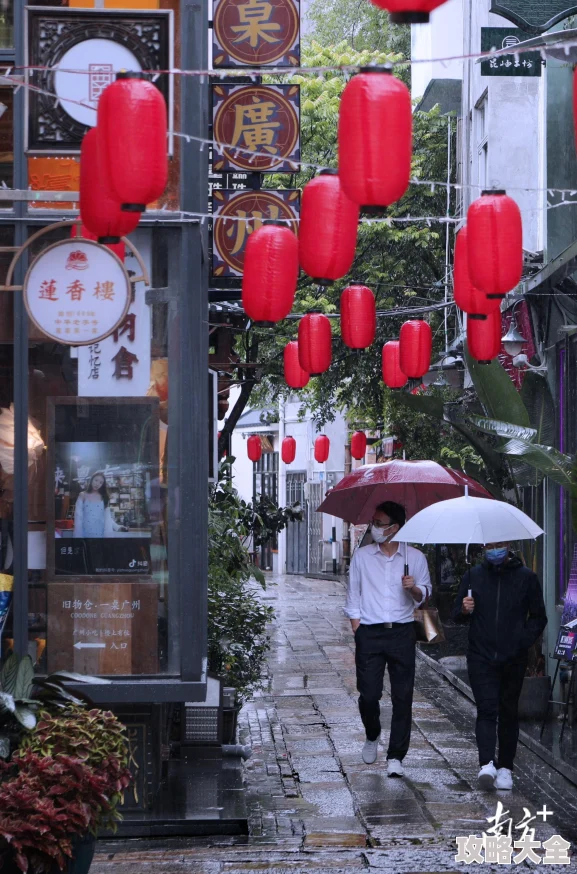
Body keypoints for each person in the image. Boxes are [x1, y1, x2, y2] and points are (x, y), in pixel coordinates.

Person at [345, 501, 432, 776]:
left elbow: (425, 595)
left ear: (395, 528)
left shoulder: (414, 557)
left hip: (401, 632)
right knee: (368, 694)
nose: (375, 528)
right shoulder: (362, 556)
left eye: (380, 524)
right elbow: (353, 593)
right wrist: (357, 625)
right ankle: (373, 734)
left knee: (402, 696)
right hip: (369, 633)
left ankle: (396, 756)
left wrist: (414, 588)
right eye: (374, 522)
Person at [452, 541, 547, 791]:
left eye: (499, 545)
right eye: (489, 545)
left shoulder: (526, 577)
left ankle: (506, 768)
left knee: (508, 711)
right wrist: (464, 608)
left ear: (508, 546)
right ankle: (486, 763)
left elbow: (539, 617)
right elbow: (456, 614)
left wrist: (522, 641)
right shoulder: (473, 575)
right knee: (486, 709)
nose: (494, 550)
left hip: (513, 657)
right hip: (480, 656)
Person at [74, 471, 128, 538]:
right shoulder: (83, 495)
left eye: (101, 482)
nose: (97, 484)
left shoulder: (104, 497)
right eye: (96, 480)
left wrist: (117, 527)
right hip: (85, 533)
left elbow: (107, 518)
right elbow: (78, 516)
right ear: (91, 480)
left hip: (100, 534)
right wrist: (78, 536)